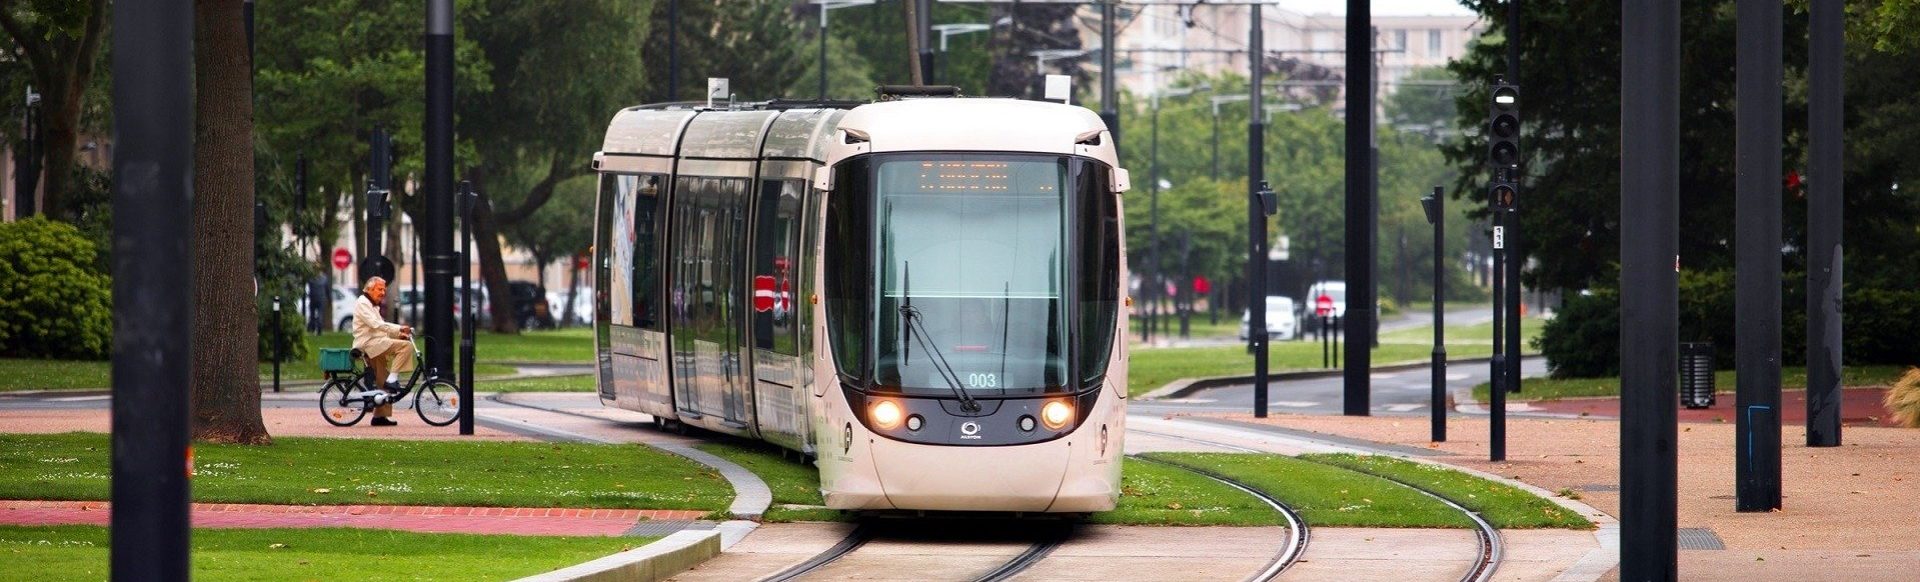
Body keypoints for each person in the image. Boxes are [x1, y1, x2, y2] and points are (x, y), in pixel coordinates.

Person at [353, 276, 413, 426]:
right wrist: (399, 329)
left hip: (377, 344)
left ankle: (379, 417)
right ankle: (393, 379)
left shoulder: (372, 305)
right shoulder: (363, 303)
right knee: (406, 347)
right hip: (369, 345)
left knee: (382, 380)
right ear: (369, 289)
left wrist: (400, 334)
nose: (383, 292)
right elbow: (376, 325)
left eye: (384, 289)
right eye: (379, 289)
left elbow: (381, 329)